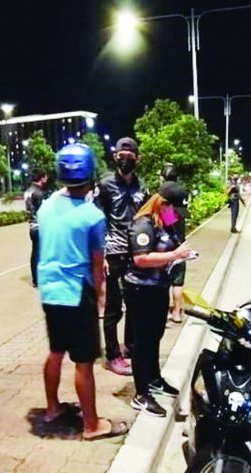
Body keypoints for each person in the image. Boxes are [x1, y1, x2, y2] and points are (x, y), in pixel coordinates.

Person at [37, 143, 127, 441]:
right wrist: (101, 298)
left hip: (50, 291)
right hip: (77, 293)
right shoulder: (92, 215)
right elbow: (98, 264)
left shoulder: (47, 204)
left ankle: (51, 409)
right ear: (90, 174)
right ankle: (91, 425)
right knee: (84, 361)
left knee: (55, 351)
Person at [125, 183, 192, 417]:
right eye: (174, 210)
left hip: (158, 288)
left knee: (155, 337)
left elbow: (170, 247)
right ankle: (141, 394)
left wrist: (181, 254)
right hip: (141, 289)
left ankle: (154, 379)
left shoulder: (165, 222)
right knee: (142, 343)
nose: (176, 216)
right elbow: (140, 259)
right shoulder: (143, 224)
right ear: (163, 204)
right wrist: (175, 255)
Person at [96, 137, 149, 376]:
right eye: (121, 156)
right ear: (115, 156)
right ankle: (112, 355)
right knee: (113, 308)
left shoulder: (142, 186)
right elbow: (96, 220)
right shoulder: (105, 184)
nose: (125, 160)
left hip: (137, 252)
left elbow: (150, 215)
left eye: (130, 157)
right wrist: (101, 254)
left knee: (136, 304)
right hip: (113, 252)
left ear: (138, 159)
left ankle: (129, 347)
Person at [158, 164, 188, 324]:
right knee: (178, 281)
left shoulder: (162, 191)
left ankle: (163, 314)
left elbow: (165, 218)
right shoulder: (183, 191)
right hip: (181, 242)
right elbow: (183, 215)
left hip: (165, 244)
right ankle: (177, 313)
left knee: (163, 281)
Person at [25, 171, 48, 287]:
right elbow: (44, 211)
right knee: (41, 254)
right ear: (42, 178)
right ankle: (39, 279)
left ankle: (35, 279)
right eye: (46, 177)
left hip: (32, 226)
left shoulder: (28, 191)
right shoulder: (38, 192)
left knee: (35, 253)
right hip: (40, 226)